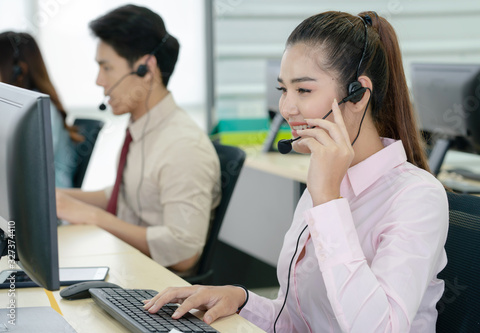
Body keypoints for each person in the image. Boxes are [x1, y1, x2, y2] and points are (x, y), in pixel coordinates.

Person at [143, 10, 449, 332]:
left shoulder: (416, 197)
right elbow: (301, 321)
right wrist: (242, 299)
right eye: (283, 90)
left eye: (303, 90)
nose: (287, 108)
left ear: (358, 95)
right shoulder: (327, 179)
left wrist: (329, 202)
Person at [55, 5, 221, 275]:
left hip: (151, 285)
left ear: (146, 68)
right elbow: (124, 195)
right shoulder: (142, 128)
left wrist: (96, 217)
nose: (99, 81)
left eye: (106, 67)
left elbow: (184, 252)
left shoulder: (183, 146)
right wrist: (55, 198)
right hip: (126, 265)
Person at [0, 31, 83, 188]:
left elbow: (27, 167)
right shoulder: (18, 107)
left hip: (47, 201)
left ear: (19, 70)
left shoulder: (40, 110)